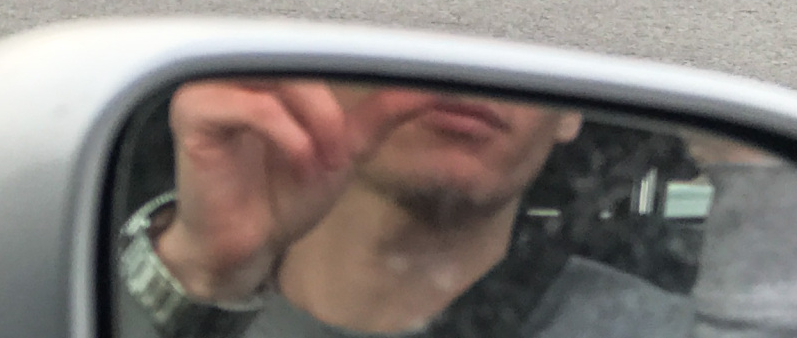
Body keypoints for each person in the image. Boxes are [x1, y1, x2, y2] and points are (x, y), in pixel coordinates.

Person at [114, 79, 695, 337]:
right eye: (426, 40)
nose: (473, 73)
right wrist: (202, 275)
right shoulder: (87, 292)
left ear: (571, 111)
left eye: (526, 54)